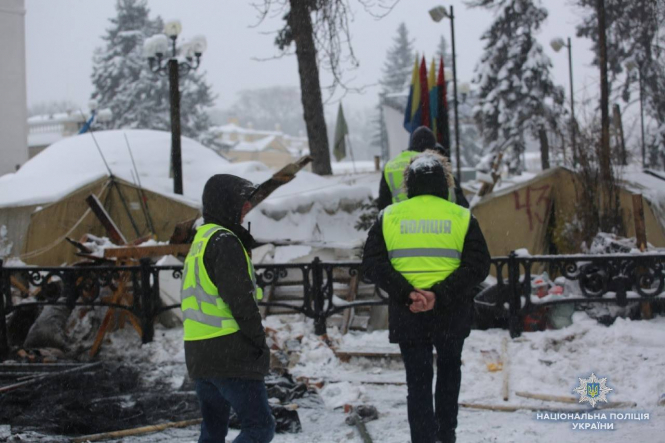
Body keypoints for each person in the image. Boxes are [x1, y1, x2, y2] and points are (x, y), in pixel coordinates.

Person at [362, 152, 490, 443]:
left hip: (409, 313)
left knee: (417, 383)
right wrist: (439, 295)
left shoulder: (389, 217)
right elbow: (479, 265)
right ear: (446, 183)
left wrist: (408, 293)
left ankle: (422, 439)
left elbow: (371, 264)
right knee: (448, 374)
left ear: (410, 183)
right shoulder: (461, 215)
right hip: (451, 310)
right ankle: (446, 436)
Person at [181, 174, 274, 443]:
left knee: (213, 431)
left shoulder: (201, 240)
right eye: (242, 201)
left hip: (199, 353)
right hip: (230, 351)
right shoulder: (225, 241)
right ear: (225, 203)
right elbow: (241, 302)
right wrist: (259, 343)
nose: (247, 207)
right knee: (259, 428)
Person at [377, 126, 469, 211]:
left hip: (399, 221)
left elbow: (383, 204)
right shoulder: (437, 164)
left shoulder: (391, 165)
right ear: (433, 147)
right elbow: (461, 203)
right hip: (437, 222)